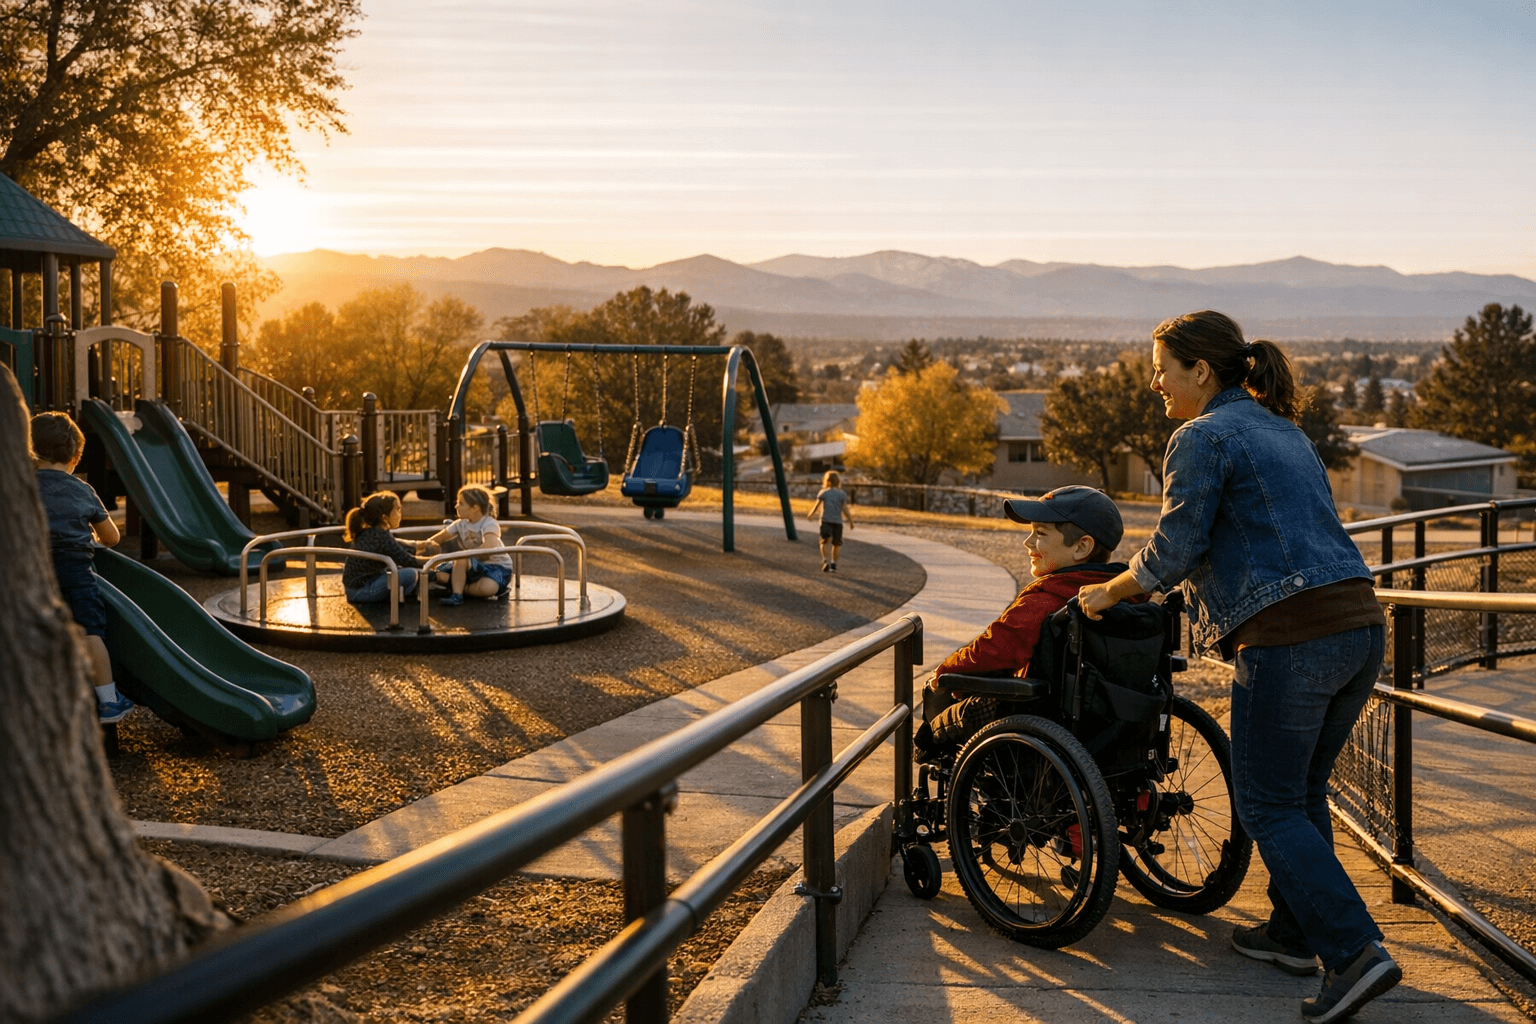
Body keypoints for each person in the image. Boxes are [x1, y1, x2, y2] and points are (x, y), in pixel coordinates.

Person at [1076, 310, 1398, 1023]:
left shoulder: (1201, 435)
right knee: (1303, 793)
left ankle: (1354, 953)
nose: (1155, 382)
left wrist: (1107, 591)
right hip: (1358, 626)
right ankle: (1292, 933)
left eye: (1162, 368)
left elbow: (1173, 548)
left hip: (1290, 637)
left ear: (1202, 370)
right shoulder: (1282, 429)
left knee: (1268, 804)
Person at [917, 485, 1129, 754]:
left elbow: (996, 650)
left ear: (1082, 547)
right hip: (1109, 731)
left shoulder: (1049, 598)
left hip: (1039, 729)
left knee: (939, 689)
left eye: (1040, 533)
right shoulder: (1122, 595)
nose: (1027, 542)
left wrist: (945, 670)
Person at [31, 412, 133, 723]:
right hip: (74, 572)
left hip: (31, 573)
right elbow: (111, 537)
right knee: (91, 632)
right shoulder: (82, 490)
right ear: (76, 456)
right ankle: (108, 701)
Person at [426, 485, 512, 606]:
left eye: (460, 503)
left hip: (495, 566)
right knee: (453, 564)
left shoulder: (489, 523)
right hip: (473, 564)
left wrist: (466, 556)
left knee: (487, 588)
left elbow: (489, 547)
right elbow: (436, 539)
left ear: (474, 508)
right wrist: (420, 548)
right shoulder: (460, 524)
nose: (456, 506)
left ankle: (459, 587)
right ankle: (457, 594)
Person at [342, 491, 432, 603]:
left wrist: (417, 546)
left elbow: (396, 547)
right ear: (384, 517)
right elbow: (407, 560)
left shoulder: (373, 531)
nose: (400, 514)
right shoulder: (380, 535)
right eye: (398, 510)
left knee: (403, 570)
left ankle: (426, 581)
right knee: (410, 574)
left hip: (357, 587)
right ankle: (402, 599)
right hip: (362, 590)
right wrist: (438, 560)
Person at [807, 470, 853, 572]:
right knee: (837, 544)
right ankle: (834, 564)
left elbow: (816, 505)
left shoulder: (823, 492)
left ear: (826, 480)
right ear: (838, 481)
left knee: (824, 541)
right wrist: (850, 521)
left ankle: (825, 560)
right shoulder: (841, 494)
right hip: (838, 522)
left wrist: (811, 514)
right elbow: (845, 509)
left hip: (825, 520)